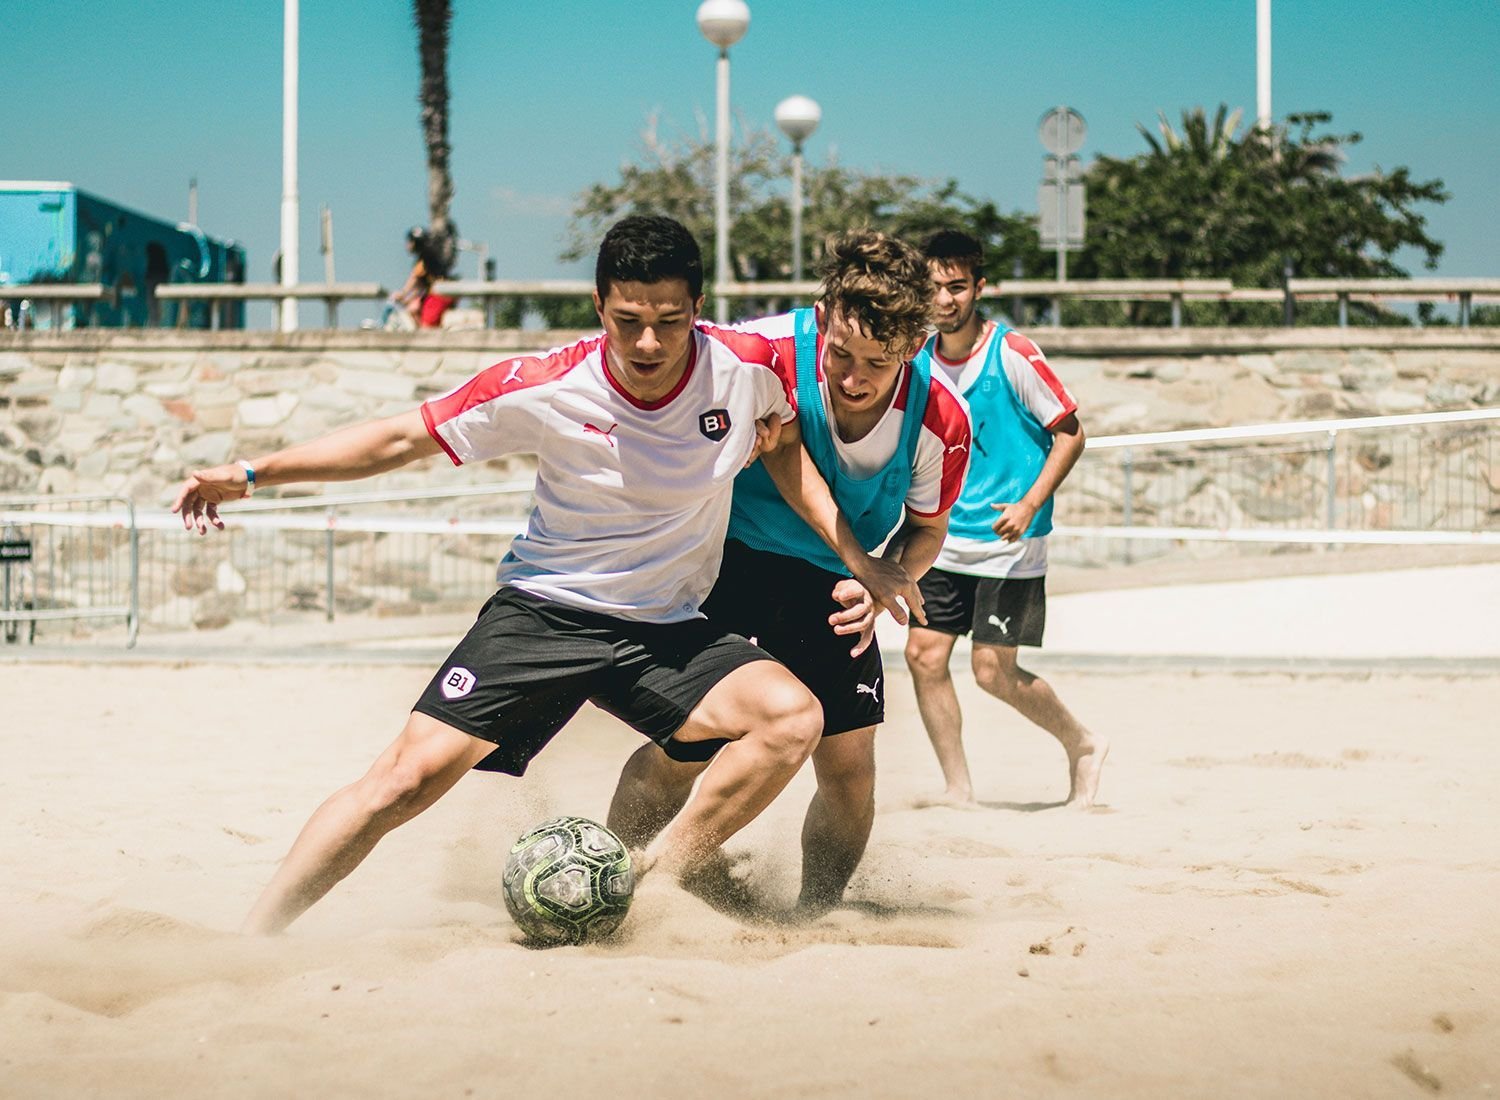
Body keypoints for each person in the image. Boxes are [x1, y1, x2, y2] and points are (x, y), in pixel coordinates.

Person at [173, 215, 921, 935]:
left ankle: (643, 886)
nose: (649, 340)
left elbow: (787, 440)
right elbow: (402, 437)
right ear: (599, 306)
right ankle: (254, 936)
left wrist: (857, 554)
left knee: (792, 718)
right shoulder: (545, 384)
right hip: (544, 613)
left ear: (699, 308)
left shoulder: (746, 367)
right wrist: (253, 472)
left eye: (669, 318)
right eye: (628, 319)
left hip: (665, 628)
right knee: (402, 782)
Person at [606, 230, 972, 915]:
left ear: (914, 349)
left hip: (834, 583)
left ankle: (814, 912)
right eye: (840, 354)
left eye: (877, 363)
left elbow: (929, 529)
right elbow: (644, 363)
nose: (854, 379)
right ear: (822, 319)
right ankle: (615, 875)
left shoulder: (941, 421)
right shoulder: (759, 353)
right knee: (681, 746)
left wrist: (882, 577)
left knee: (850, 770)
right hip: (725, 561)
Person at [903, 229, 1108, 809]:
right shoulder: (916, 358)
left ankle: (1083, 743)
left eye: (957, 287)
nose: (945, 300)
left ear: (979, 287)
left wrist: (1029, 504)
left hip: (1008, 543)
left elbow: (1071, 433)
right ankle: (957, 789)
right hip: (941, 539)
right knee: (923, 656)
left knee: (992, 671)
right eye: (934, 287)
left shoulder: (1011, 353)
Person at [389, 226, 456, 329]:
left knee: (427, 327)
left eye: (410, 242)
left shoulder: (424, 258)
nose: (407, 245)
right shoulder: (429, 257)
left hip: (439, 295)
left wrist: (402, 293)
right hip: (438, 294)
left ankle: (429, 340)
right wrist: (408, 299)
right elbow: (421, 286)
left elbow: (414, 278)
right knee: (413, 309)